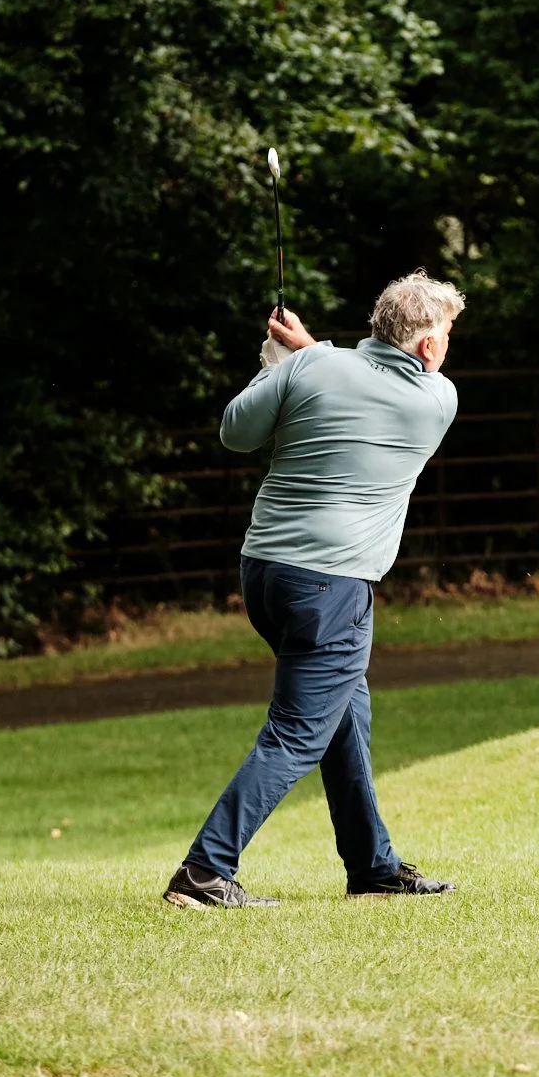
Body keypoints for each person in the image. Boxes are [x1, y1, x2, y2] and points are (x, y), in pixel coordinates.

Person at [163, 270, 465, 909]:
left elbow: (236, 433)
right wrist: (300, 358)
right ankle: (204, 871)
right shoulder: (436, 399)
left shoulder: (311, 370)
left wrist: (276, 366)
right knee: (299, 730)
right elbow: (372, 383)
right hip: (332, 586)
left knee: (343, 717)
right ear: (429, 348)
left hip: (264, 574)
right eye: (445, 333)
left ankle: (374, 868)